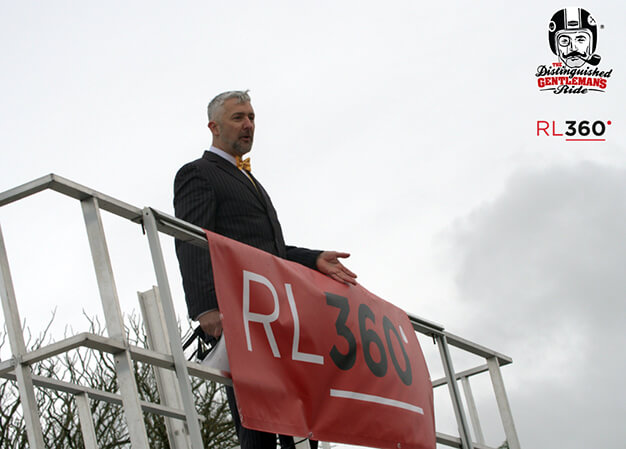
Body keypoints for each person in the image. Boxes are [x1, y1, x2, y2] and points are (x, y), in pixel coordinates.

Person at [174, 90, 357, 449]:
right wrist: (206, 308)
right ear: (213, 126)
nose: (248, 125)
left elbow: (269, 251)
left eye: (252, 117)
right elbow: (191, 239)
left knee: (297, 419)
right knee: (256, 421)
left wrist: (314, 258)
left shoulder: (251, 181)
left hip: (274, 316)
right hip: (239, 314)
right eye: (238, 117)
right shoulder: (198, 173)